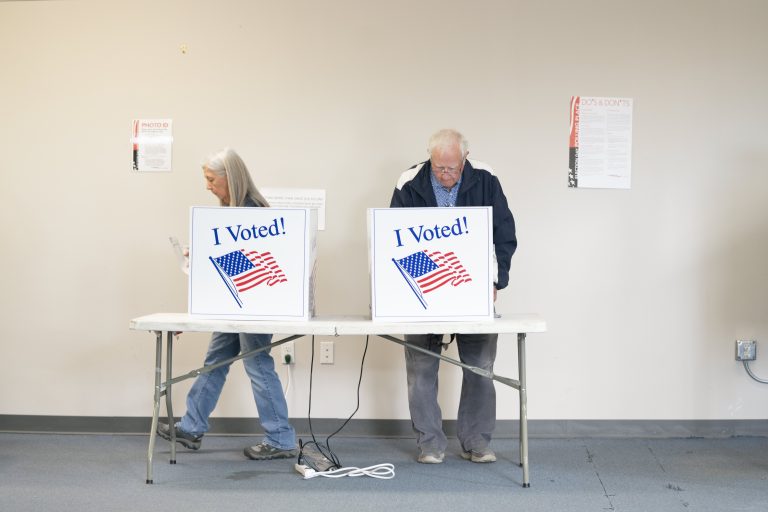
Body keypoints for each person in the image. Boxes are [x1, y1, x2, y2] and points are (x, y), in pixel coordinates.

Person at [157, 148, 297, 460]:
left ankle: (281, 439)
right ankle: (192, 427)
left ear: (230, 178)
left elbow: (254, 264)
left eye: (211, 179)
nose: (207, 185)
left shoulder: (254, 211)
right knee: (216, 360)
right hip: (235, 305)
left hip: (254, 307)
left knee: (258, 366)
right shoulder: (235, 210)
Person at [389, 129, 517, 464]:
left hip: (473, 286)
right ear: (429, 158)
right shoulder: (409, 181)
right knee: (421, 368)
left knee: (479, 367)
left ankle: (476, 442)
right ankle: (430, 443)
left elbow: (504, 234)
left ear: (465, 159)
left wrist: (495, 281)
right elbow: (391, 238)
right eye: (439, 168)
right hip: (424, 289)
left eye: (452, 169)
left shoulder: (487, 178)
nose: (445, 175)